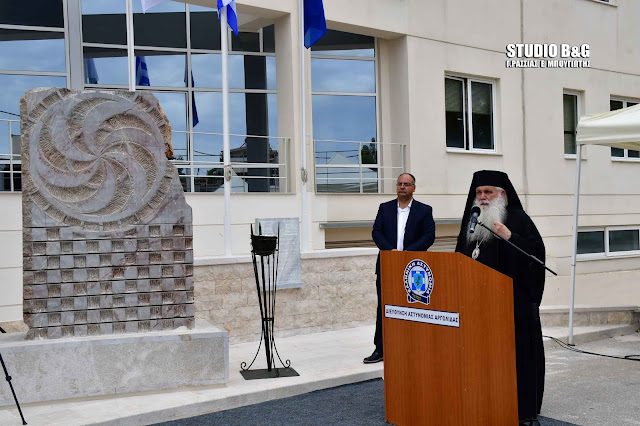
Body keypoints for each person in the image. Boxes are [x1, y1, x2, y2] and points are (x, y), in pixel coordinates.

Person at [455, 170, 545, 424]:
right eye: (479, 192)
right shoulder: (472, 221)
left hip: (512, 305)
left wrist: (509, 237)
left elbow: (537, 256)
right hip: (476, 304)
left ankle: (521, 407)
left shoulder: (518, 218)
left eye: (488, 192)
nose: (483, 197)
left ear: (502, 194)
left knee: (515, 357)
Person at [364, 173, 436, 363]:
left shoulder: (424, 210)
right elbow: (376, 232)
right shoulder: (385, 208)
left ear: (414, 188)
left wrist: (406, 253)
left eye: (407, 184)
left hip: (414, 268)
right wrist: (391, 252)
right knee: (384, 307)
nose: (402, 187)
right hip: (387, 265)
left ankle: (412, 348)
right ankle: (381, 349)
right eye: (400, 184)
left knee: (413, 308)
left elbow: (429, 236)